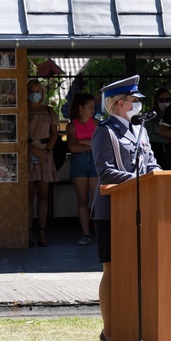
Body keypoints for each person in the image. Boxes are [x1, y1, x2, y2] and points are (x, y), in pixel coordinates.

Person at [91, 75, 161, 341]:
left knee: (137, 271)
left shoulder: (140, 132)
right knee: (112, 270)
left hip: (140, 210)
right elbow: (105, 171)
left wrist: (158, 176)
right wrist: (140, 180)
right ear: (120, 103)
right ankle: (109, 332)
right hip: (112, 210)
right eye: (134, 100)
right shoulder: (104, 132)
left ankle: (133, 327)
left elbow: (152, 163)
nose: (137, 105)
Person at [27, 80, 60, 247]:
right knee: (28, 195)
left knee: (43, 195)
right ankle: (27, 232)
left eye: (38, 90)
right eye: (32, 90)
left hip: (45, 153)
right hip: (28, 151)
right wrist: (32, 149)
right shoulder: (23, 110)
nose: (35, 93)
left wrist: (46, 150)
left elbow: (55, 134)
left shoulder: (49, 110)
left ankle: (42, 231)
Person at [66, 93, 98, 246]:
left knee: (98, 199)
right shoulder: (71, 125)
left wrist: (82, 142)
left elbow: (100, 144)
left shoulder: (97, 124)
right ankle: (86, 234)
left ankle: (100, 231)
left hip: (94, 163)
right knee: (82, 200)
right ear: (81, 108)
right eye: (90, 107)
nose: (93, 110)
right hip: (78, 164)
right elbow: (72, 147)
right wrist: (90, 143)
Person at [145, 88, 171, 168]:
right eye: (162, 100)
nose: (165, 102)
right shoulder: (150, 116)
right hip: (156, 150)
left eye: (167, 99)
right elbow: (149, 134)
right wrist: (164, 139)